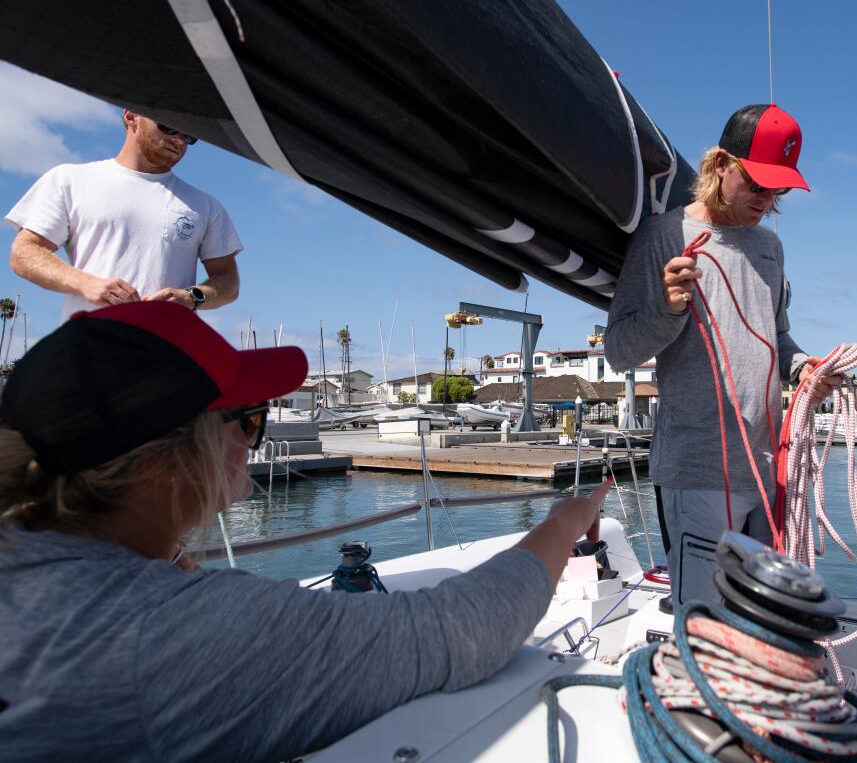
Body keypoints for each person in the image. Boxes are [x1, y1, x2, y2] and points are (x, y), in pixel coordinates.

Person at [0, 302, 607, 762]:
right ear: (168, 461)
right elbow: (466, 632)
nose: (255, 439)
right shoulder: (155, 630)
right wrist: (563, 522)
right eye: (251, 420)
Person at [606, 103, 840, 608]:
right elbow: (619, 353)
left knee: (757, 616)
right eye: (756, 183)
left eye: (778, 189)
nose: (767, 199)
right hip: (698, 471)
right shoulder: (662, 237)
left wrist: (807, 371)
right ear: (719, 165)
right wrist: (668, 309)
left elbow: (778, 340)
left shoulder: (769, 249)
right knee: (705, 620)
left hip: (766, 467)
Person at [7, 111, 241, 321]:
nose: (179, 140)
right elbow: (24, 253)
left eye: (189, 136)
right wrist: (85, 283)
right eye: (168, 127)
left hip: (169, 354)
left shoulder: (205, 205)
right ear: (131, 116)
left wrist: (191, 296)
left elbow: (228, 281)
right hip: (90, 348)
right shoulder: (70, 180)